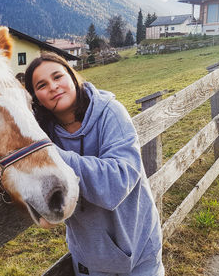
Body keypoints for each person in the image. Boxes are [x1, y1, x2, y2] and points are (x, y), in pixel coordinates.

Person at [24, 52, 164, 276]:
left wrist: (50, 154)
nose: (52, 86)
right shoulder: (44, 134)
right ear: (36, 98)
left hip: (139, 252)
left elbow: (117, 182)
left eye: (58, 76)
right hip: (90, 261)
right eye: (42, 85)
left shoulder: (111, 113)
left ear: (72, 77)